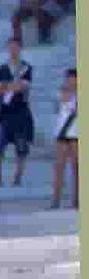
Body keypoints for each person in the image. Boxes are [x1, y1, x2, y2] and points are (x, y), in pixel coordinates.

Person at [0, 38, 35, 188]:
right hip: (4, 112)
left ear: (20, 48)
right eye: (10, 47)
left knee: (21, 147)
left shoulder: (26, 68)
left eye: (15, 47)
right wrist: (12, 86)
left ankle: (18, 177)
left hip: (21, 111)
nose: (13, 50)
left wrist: (7, 86)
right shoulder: (1, 69)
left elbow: (23, 87)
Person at [53, 67, 77, 211]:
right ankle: (56, 199)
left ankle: (77, 200)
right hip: (62, 132)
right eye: (68, 78)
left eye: (73, 78)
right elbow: (63, 99)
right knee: (59, 167)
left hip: (76, 133)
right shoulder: (62, 91)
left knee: (76, 167)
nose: (70, 81)